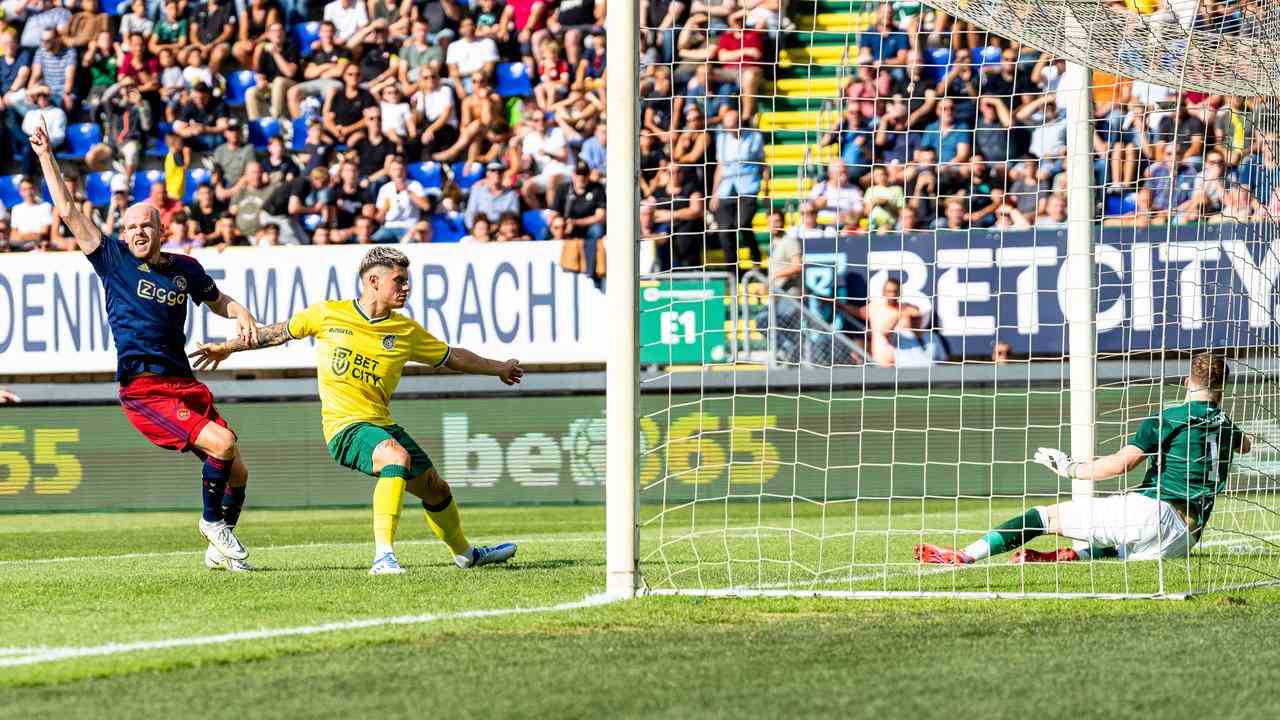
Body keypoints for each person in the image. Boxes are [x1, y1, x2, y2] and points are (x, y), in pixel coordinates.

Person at [189, 247, 522, 575]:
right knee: (395, 458)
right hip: (344, 427)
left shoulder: (405, 331)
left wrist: (499, 367)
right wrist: (226, 347)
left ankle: (466, 554)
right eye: (400, 280)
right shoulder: (327, 314)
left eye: (407, 281)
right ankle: (384, 557)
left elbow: (453, 356)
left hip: (382, 424)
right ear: (373, 281)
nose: (406, 287)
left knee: (437, 488)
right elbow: (274, 333)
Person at [30, 119, 260, 572]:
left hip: (184, 382)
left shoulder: (184, 268)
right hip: (145, 388)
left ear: (161, 230)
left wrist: (242, 315)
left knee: (238, 472)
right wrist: (45, 156)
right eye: (130, 226)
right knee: (223, 442)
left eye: (145, 226)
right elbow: (71, 212)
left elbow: (219, 301)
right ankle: (212, 524)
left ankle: (219, 547)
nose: (136, 232)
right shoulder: (112, 259)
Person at [917, 353, 1252, 566]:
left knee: (1043, 517)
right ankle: (1071, 556)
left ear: (1185, 382)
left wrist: (1070, 468)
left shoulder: (1168, 418)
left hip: (1157, 513)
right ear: (1224, 386)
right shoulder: (1228, 428)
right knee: (1118, 544)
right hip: (1185, 539)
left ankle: (965, 556)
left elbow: (1120, 465)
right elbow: (1246, 446)